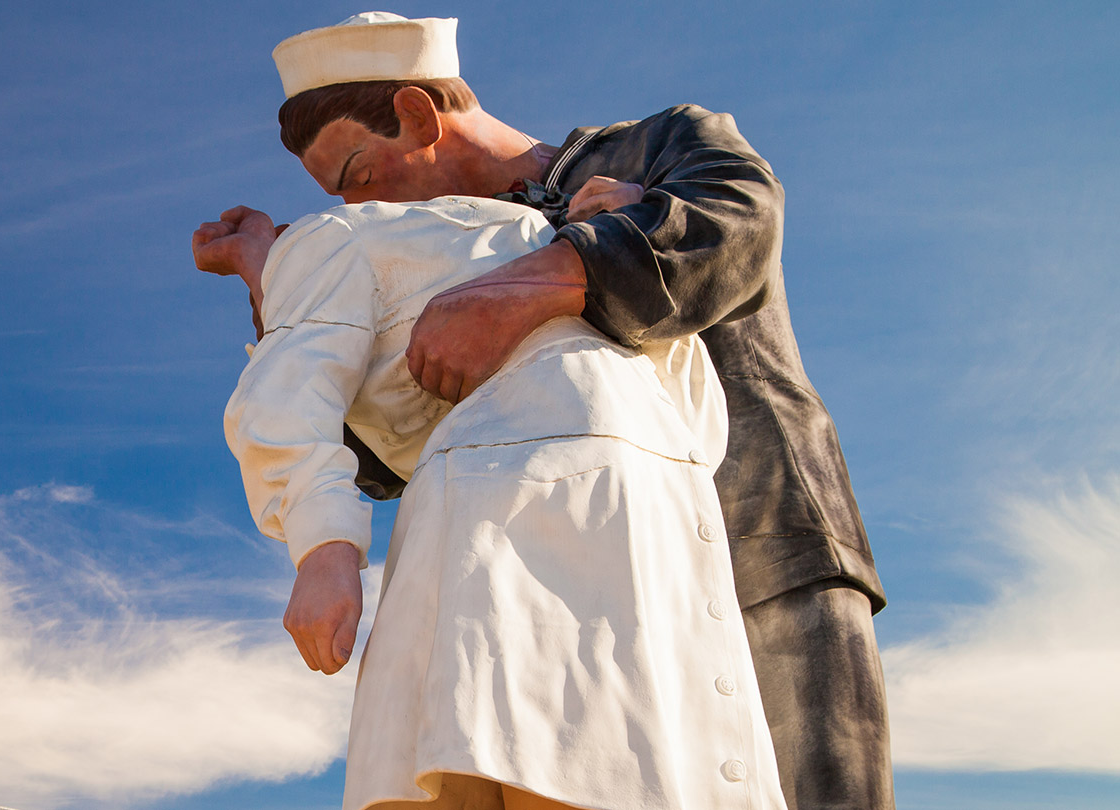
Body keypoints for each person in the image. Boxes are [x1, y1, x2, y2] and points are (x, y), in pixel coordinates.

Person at [198, 13, 891, 810]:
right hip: (555, 561)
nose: (358, 204)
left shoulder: (652, 148)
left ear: (419, 116)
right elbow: (376, 448)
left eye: (357, 171)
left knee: (816, 786)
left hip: (762, 537)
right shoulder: (415, 246)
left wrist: (548, 276)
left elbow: (736, 226)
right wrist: (278, 279)